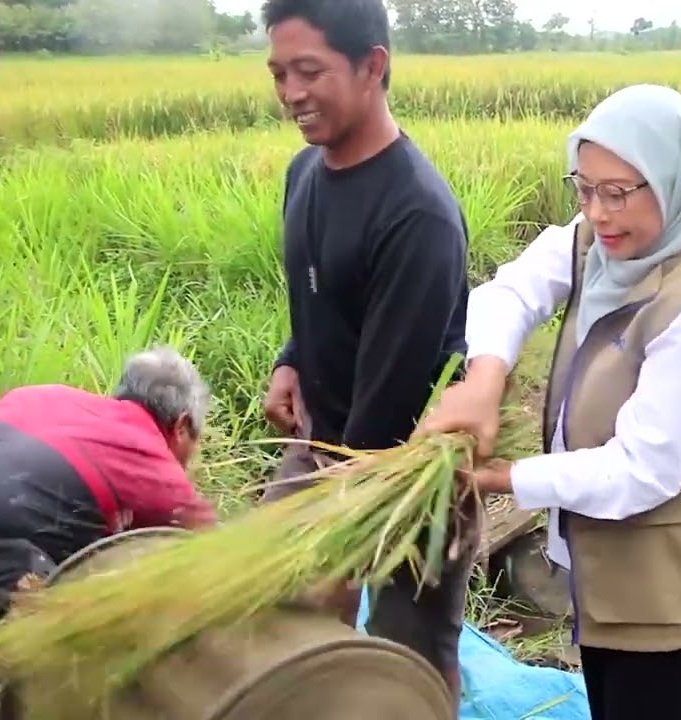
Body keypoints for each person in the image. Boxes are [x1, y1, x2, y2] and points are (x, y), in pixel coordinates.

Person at [416, 84, 681, 720]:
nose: (598, 211)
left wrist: (505, 477)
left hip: (666, 595)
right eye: (583, 188)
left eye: (617, 192)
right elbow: (511, 292)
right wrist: (485, 377)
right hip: (605, 569)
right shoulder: (606, 239)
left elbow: (643, 469)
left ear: (675, 180)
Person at [256, 0, 477, 704]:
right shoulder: (304, 173)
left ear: (372, 65)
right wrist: (291, 358)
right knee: (279, 611)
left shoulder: (416, 215)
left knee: (408, 650)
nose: (292, 93)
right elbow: (319, 290)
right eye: (279, 72)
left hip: (408, 466)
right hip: (327, 437)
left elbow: (387, 409)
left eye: (310, 71)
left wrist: (336, 546)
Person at [0, 346, 218, 679]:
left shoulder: (40, 395)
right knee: (52, 614)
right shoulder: (152, 463)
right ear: (182, 426)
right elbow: (216, 553)